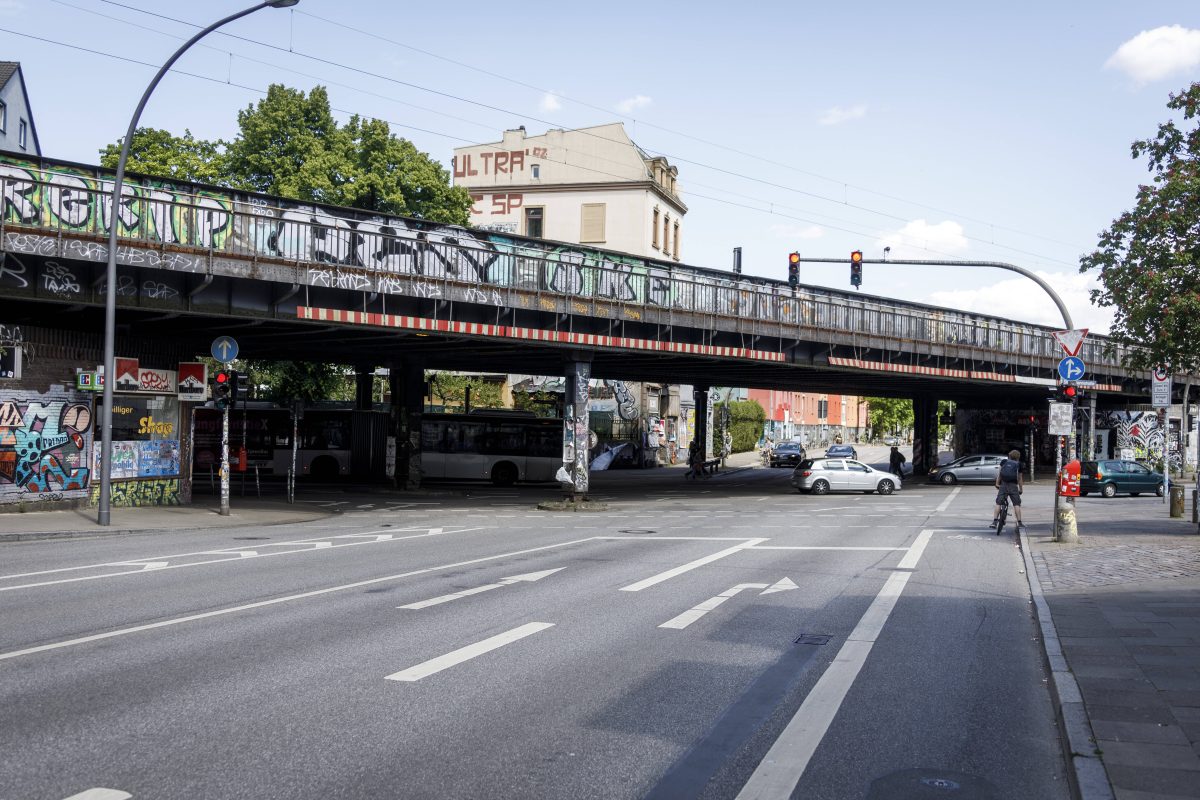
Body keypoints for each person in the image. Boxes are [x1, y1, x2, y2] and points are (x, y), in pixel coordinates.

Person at [992, 449, 1025, 531]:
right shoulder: (1019, 464)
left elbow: (999, 474)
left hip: (1003, 485)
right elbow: (1020, 478)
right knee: (1016, 504)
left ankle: (994, 521)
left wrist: (997, 484)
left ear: (1009, 455)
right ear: (1018, 457)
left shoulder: (1003, 462)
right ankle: (1020, 522)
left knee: (998, 502)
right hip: (1013, 486)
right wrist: (1021, 489)